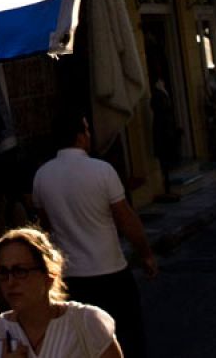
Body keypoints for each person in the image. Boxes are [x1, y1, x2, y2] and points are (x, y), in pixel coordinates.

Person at [32, 114, 155, 358]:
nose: (89, 135)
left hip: (71, 277)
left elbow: (44, 227)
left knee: (80, 346)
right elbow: (126, 218)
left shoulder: (42, 176)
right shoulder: (102, 171)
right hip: (110, 272)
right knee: (125, 340)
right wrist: (146, 254)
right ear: (80, 136)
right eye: (87, 130)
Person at [0, 227, 121, 358]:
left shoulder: (85, 323)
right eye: (3, 273)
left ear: (48, 276)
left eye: (20, 271)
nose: (11, 282)